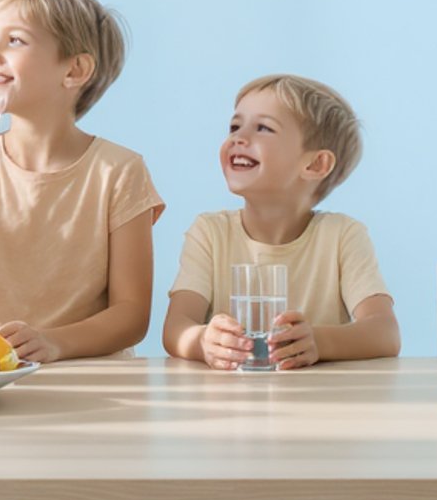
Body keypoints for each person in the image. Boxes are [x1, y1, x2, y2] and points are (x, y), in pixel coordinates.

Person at [0, 0, 161, 362]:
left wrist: (55, 342)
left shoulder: (119, 171)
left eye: (15, 41)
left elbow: (132, 316)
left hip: (91, 378)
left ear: (75, 70)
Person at [162, 73, 399, 370]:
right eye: (235, 126)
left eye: (263, 128)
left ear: (315, 164)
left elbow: (385, 333)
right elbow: (176, 329)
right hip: (230, 397)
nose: (238, 138)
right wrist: (203, 341)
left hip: (319, 397)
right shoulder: (209, 233)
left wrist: (319, 342)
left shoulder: (343, 236)